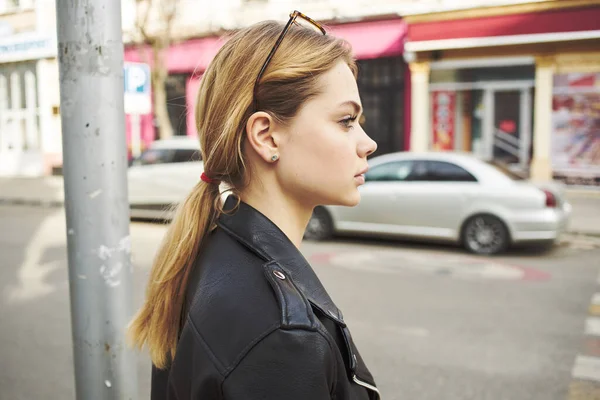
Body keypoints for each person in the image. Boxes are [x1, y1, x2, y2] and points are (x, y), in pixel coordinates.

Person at [128, 10, 379, 400]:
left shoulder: (209, 248)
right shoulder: (284, 337)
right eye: (346, 120)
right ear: (267, 136)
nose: (367, 143)